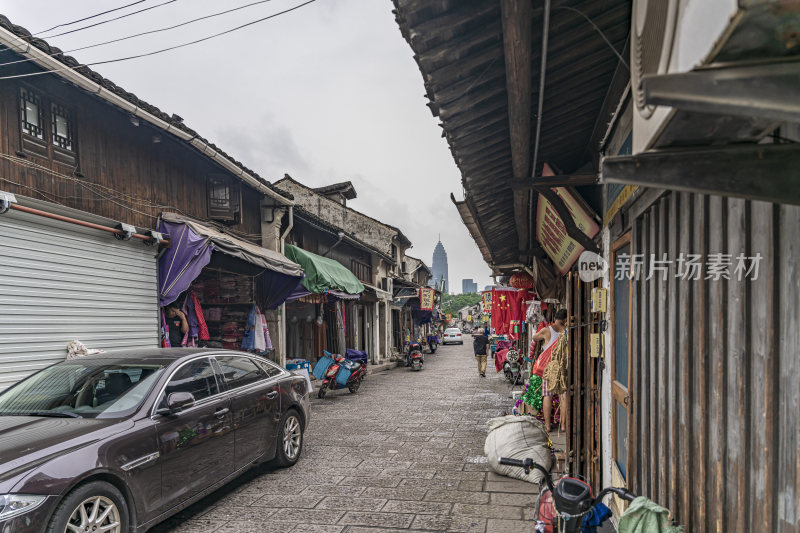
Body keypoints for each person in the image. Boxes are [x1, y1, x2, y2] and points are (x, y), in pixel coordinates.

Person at [531, 308, 567, 430]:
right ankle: (563, 426)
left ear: (556, 318)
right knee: (563, 395)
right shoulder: (567, 332)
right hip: (562, 367)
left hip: (549, 368)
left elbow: (534, 337)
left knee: (547, 395)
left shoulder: (547, 330)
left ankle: (547, 426)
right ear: (565, 320)